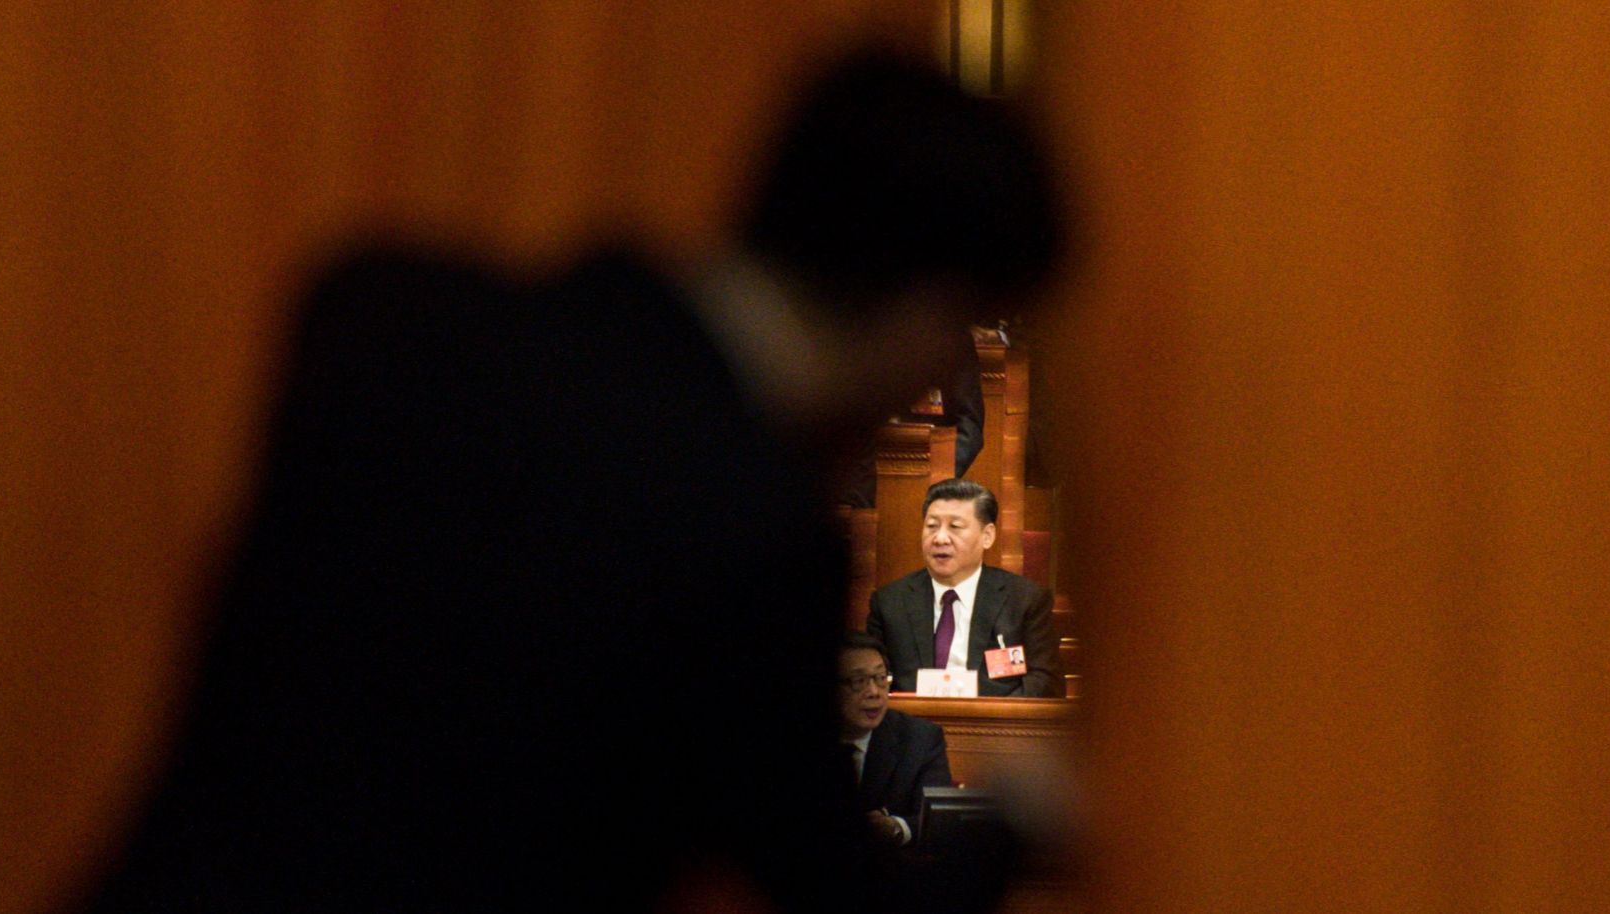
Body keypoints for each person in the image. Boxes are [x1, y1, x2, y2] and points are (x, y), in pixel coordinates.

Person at [74, 44, 1063, 914]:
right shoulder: (745, 527)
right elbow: (833, 884)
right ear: (930, 314)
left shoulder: (380, 320)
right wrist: (1016, 817)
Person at [867, 479, 1064, 698]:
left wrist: (990, 722)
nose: (940, 538)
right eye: (931, 526)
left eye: (955, 527)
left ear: (987, 536)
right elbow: (875, 682)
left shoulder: (1025, 600)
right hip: (912, 725)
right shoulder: (890, 602)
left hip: (994, 728)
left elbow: (1046, 682)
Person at [838, 632, 953, 847]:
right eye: (858, 681)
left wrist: (895, 828)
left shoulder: (921, 739)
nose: (874, 692)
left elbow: (940, 821)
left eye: (881, 679)